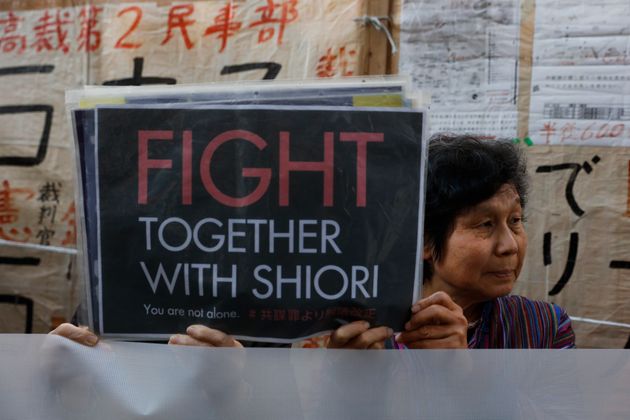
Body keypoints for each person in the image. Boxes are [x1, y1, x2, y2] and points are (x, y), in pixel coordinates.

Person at [51, 134, 575, 349]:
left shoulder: (544, 329)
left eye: (517, 221)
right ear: (421, 240)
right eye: (484, 225)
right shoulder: (352, 329)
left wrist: (459, 383)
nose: (510, 244)